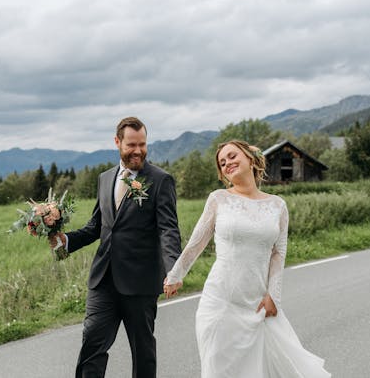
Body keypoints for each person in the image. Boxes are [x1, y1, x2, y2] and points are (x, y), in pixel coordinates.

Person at [163, 140, 330, 378]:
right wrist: (176, 274)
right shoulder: (218, 199)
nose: (228, 163)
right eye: (222, 163)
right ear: (222, 174)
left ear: (250, 158)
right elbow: (197, 242)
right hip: (220, 303)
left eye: (232, 156)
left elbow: (278, 253)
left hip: (258, 304)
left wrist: (274, 295)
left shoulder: (277, 206)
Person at [49, 116, 182, 378]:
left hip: (141, 282)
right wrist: (63, 241)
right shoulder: (105, 178)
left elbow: (168, 228)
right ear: (117, 142)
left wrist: (173, 269)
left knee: (142, 351)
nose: (138, 151)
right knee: (92, 344)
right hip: (103, 280)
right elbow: (97, 226)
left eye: (142, 144)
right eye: (132, 145)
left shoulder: (160, 180)